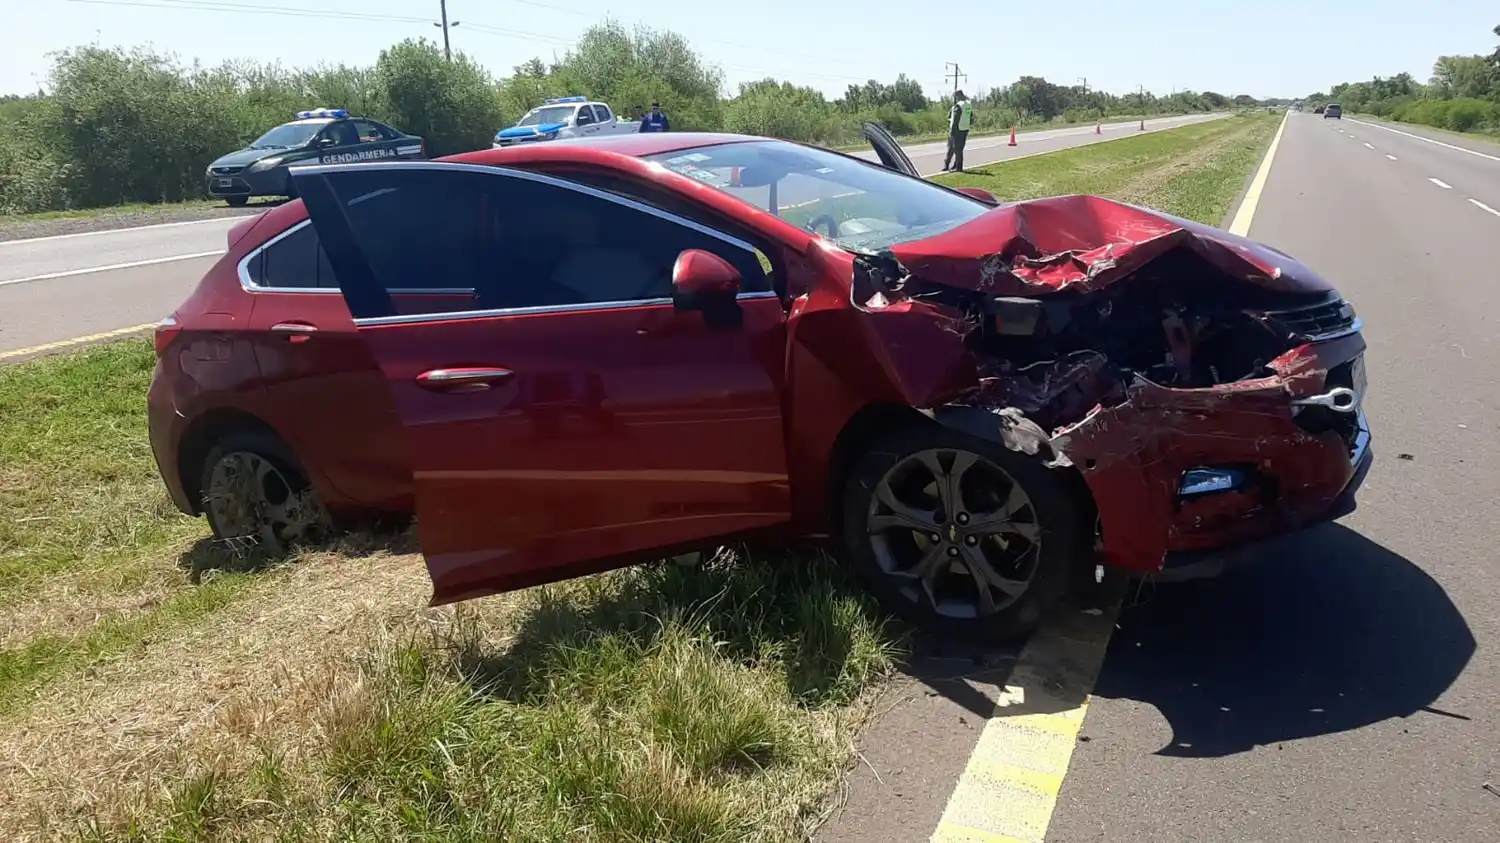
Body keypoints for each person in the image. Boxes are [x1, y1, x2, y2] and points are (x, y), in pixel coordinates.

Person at [943, 90, 973, 172]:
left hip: (956, 130)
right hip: (965, 129)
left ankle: (957, 167)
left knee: (954, 149)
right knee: (959, 149)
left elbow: (955, 119)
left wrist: (952, 131)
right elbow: (971, 117)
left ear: (957, 96)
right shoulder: (968, 105)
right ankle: (954, 166)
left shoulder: (958, 106)